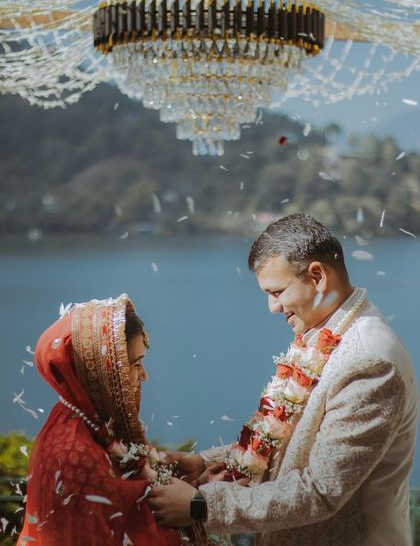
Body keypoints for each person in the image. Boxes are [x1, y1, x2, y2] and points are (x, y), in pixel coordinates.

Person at [148, 213, 418, 546]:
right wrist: (206, 462)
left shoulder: (369, 361)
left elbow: (320, 491)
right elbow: (286, 444)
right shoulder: (325, 332)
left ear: (317, 276)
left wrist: (200, 506)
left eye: (277, 292)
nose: (272, 307)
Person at [18, 294, 182, 546]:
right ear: (104, 371)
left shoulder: (96, 423)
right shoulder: (74, 457)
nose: (145, 376)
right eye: (135, 364)